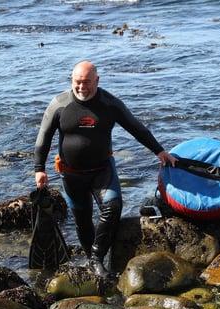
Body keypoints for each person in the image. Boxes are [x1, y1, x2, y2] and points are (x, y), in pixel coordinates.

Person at [34, 60, 176, 278]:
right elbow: (43, 138)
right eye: (77, 82)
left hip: (102, 170)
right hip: (72, 174)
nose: (81, 87)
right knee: (83, 221)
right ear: (71, 80)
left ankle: (96, 257)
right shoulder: (59, 104)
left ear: (97, 81)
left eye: (87, 82)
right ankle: (95, 264)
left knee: (113, 207)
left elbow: (135, 127)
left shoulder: (109, 104)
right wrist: (39, 168)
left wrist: (159, 151)